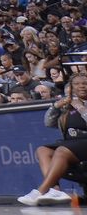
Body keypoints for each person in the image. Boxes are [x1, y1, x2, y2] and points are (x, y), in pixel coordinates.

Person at [20, 71, 87, 205]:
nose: (82, 86)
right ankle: (55, 190)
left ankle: (40, 191)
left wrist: (80, 107)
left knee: (61, 151)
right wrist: (56, 106)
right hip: (71, 143)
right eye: (77, 84)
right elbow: (49, 123)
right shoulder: (68, 105)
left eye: (85, 83)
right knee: (42, 150)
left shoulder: (78, 105)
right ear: (71, 88)